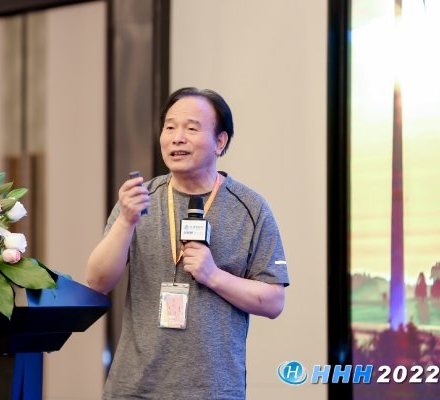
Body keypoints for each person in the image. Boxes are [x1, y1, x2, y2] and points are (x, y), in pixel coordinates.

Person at [86, 87, 290, 399]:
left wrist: (214, 276)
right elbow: (97, 281)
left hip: (214, 390)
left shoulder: (250, 208)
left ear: (220, 142)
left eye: (191, 129)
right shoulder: (139, 200)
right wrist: (126, 220)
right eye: (170, 127)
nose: (177, 138)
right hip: (134, 389)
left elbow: (274, 301)